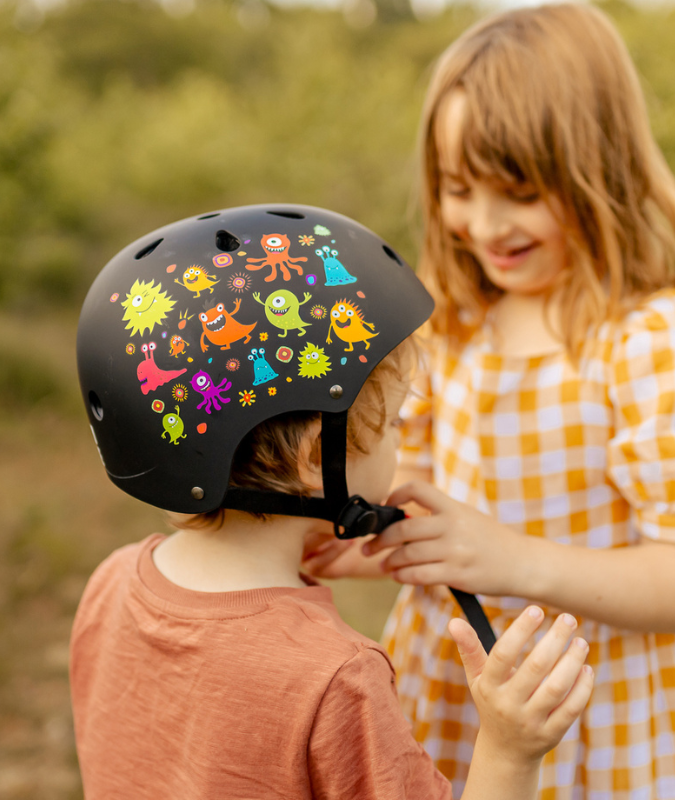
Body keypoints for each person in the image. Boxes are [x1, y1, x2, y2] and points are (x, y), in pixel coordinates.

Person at [71, 204, 593, 799]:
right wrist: (510, 749)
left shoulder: (111, 584)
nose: (404, 437)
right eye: (396, 422)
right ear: (317, 460)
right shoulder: (334, 677)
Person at [303, 5, 675, 798]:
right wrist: (371, 547)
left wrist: (515, 561)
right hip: (456, 683)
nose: (485, 224)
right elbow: (436, 507)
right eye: (460, 189)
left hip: (587, 701)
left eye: (518, 190)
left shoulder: (645, 340)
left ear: (597, 168)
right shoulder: (456, 320)